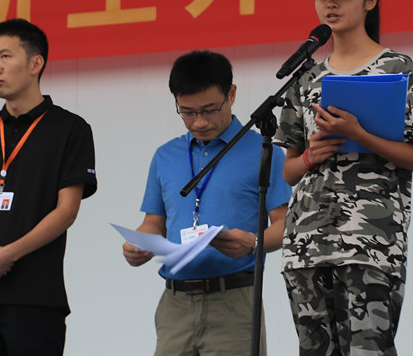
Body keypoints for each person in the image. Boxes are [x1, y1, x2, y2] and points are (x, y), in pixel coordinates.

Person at [275, 0, 413, 356]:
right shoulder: (306, 77)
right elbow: (289, 171)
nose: (331, 3)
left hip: (370, 243)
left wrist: (358, 134)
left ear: (370, 0)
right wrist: (311, 156)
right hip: (307, 243)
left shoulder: (396, 68)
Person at [122, 50, 292, 356]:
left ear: (232, 94)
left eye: (210, 110)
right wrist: (140, 244)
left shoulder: (264, 151)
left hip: (235, 301)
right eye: (187, 112)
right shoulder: (165, 156)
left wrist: (253, 242)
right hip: (175, 304)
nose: (199, 122)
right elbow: (154, 222)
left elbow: (286, 226)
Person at [0, 18, 97, 356]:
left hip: (35, 296)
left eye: (5, 56)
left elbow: (66, 210)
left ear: (35, 63)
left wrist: (7, 254)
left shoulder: (69, 129)